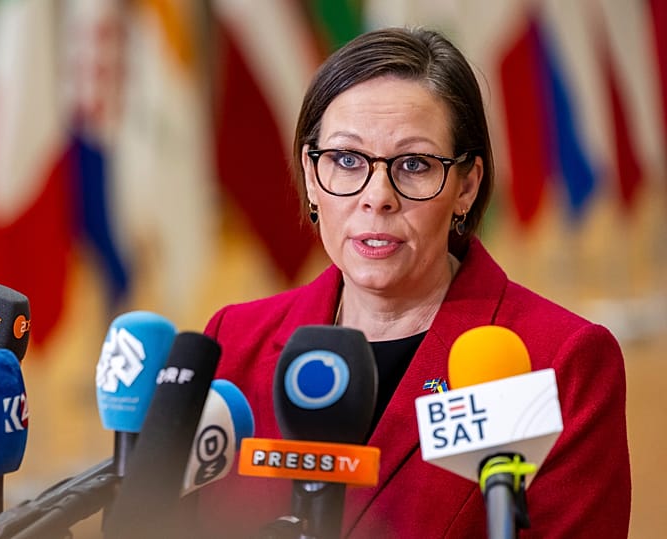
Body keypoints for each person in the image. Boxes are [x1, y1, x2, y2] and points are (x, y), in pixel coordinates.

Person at [194, 26, 631, 538]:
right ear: (312, 178)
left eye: (414, 164)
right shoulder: (233, 342)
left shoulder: (561, 363)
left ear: (466, 186)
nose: (378, 196)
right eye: (347, 160)